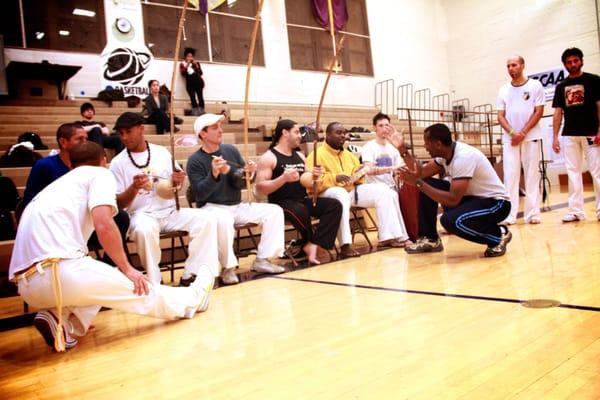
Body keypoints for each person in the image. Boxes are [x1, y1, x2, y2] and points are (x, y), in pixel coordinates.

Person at [9, 141, 212, 353]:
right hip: (59, 271)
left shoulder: (58, 186)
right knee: (139, 290)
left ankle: (60, 321)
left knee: (101, 281)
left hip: (27, 286)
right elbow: (104, 223)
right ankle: (194, 299)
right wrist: (128, 269)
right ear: (103, 161)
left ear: (71, 165)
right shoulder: (100, 174)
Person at [109, 112, 220, 285]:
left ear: (141, 129)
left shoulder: (161, 152)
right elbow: (118, 203)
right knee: (143, 230)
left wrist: (177, 182)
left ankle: (192, 274)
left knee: (208, 219)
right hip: (141, 215)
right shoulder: (118, 162)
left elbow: (176, 185)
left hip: (170, 212)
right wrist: (134, 187)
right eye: (120, 133)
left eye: (128, 132)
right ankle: (155, 281)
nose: (124, 137)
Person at [187, 113, 286, 285]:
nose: (220, 130)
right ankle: (228, 267)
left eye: (220, 126)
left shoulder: (230, 150)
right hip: (211, 207)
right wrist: (214, 174)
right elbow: (200, 193)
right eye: (215, 127)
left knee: (274, 211)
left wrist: (248, 173)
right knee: (224, 219)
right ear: (203, 134)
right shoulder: (194, 161)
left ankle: (262, 259)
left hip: (236, 205)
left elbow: (238, 181)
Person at [20, 123, 130, 266]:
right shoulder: (44, 166)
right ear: (63, 142)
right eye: (79, 139)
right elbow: (29, 200)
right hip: (56, 227)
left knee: (119, 216)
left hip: (86, 221)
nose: (85, 142)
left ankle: (111, 264)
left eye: (86, 138)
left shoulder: (92, 169)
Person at [395, 123, 512, 257]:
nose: (425, 147)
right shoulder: (446, 153)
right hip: (473, 199)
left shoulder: (464, 157)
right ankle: (430, 239)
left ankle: (499, 235)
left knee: (451, 220)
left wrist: (417, 183)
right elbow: (420, 173)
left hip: (496, 203)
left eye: (427, 143)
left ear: (438, 144)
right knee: (428, 183)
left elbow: (453, 200)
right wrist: (402, 149)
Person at [305, 122, 412, 257]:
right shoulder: (316, 155)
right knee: (340, 193)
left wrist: (360, 172)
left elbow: (357, 180)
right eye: (338, 133)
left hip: (350, 190)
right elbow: (314, 183)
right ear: (327, 135)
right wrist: (335, 178)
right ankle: (345, 245)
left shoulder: (349, 156)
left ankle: (389, 237)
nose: (342, 136)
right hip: (327, 194)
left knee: (384, 190)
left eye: (344, 133)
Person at [255, 119, 342, 265]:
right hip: (281, 203)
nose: (300, 136)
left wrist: (315, 177)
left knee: (334, 205)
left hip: (302, 199)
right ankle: (308, 243)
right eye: (296, 132)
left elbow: (309, 181)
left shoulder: (300, 156)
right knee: (300, 210)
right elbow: (260, 188)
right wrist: (283, 179)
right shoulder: (269, 157)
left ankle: (313, 244)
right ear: (284, 133)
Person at [552, 47, 600, 222]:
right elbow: (558, 113)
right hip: (569, 135)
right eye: (569, 62)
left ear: (581, 61)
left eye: (575, 61)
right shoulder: (561, 86)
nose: (572, 64)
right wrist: (555, 137)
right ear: (565, 65)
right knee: (573, 172)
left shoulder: (593, 80)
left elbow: (599, 106)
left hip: (591, 133)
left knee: (597, 172)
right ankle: (576, 211)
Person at [497, 55, 544, 225]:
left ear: (522, 65)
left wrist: (523, 132)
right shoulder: (503, 89)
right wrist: (512, 133)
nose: (511, 68)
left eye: (514, 65)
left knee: (532, 175)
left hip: (530, 137)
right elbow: (500, 116)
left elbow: (538, 111)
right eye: (508, 65)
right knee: (510, 176)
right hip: (510, 139)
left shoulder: (535, 85)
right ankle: (509, 215)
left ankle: (532, 214)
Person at [361, 112, 406, 190]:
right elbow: (369, 170)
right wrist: (392, 168)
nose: (384, 128)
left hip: (391, 187)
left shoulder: (393, 148)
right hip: (374, 188)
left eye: (386, 125)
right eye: (381, 125)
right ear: (375, 128)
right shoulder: (368, 147)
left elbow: (398, 169)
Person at [179, 47, 205, 116]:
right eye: (188, 56)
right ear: (185, 57)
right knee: (192, 97)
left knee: (200, 97)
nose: (190, 58)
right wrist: (187, 64)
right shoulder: (182, 64)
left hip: (198, 82)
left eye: (191, 56)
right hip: (190, 83)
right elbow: (183, 73)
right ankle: (196, 111)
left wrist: (196, 65)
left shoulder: (196, 63)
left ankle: (201, 112)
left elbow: (200, 73)